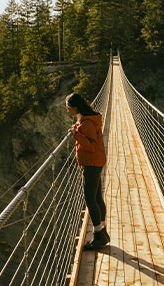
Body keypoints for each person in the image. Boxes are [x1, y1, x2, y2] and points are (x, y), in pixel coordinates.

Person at [66, 93, 110, 250]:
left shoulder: (87, 124)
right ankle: (103, 232)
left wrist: (76, 135)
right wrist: (77, 129)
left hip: (91, 164)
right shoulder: (87, 120)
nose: (68, 110)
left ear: (76, 107)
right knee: (97, 197)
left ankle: (99, 236)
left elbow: (91, 146)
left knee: (90, 200)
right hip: (95, 162)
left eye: (68, 107)